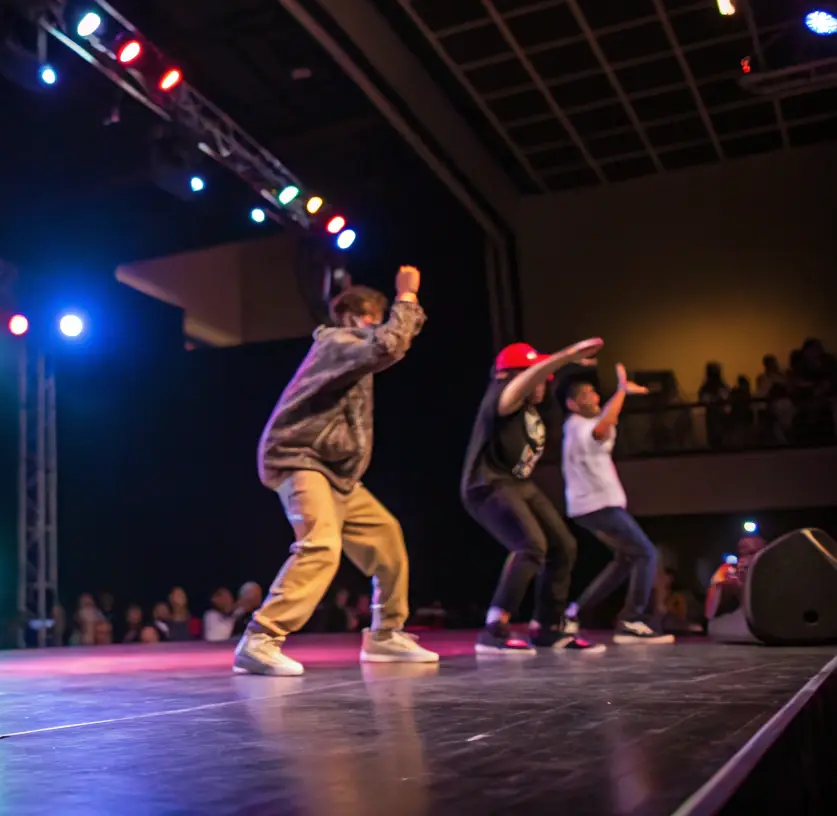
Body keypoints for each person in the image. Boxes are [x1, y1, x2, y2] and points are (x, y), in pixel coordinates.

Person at [233, 268, 437, 676]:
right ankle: (260, 638)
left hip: (337, 474)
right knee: (321, 543)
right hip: (300, 458)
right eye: (371, 318)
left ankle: (385, 635)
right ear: (351, 316)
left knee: (387, 540)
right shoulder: (335, 341)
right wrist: (408, 297)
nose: (376, 326)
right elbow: (389, 345)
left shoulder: (354, 353)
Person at [461, 339, 606, 655]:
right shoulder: (501, 399)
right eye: (537, 376)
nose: (545, 383)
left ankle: (547, 628)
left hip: (517, 483)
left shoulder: (530, 410)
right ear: (515, 376)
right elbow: (517, 386)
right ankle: (494, 629)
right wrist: (565, 357)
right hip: (487, 484)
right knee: (531, 545)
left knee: (563, 546)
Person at [560, 367, 674, 644]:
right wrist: (622, 391)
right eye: (587, 394)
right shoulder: (577, 425)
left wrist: (618, 394)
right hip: (598, 505)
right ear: (572, 404)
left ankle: (574, 612)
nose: (595, 396)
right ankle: (631, 620)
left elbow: (603, 422)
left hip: (593, 506)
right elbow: (602, 428)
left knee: (625, 559)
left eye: (595, 392)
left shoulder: (579, 425)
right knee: (646, 553)